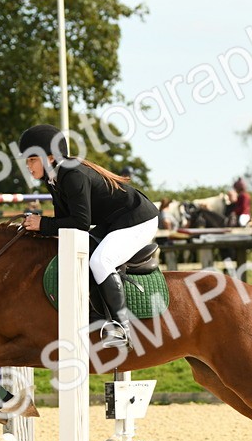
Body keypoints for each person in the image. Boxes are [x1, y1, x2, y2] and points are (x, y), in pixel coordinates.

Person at [19, 124, 158, 349]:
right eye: (27, 160)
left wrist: (42, 223)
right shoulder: (54, 178)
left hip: (138, 220)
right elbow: (65, 225)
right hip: (114, 222)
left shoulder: (72, 175)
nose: (28, 165)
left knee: (101, 261)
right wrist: (38, 228)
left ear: (51, 157)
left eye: (32, 159)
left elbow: (80, 224)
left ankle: (122, 328)